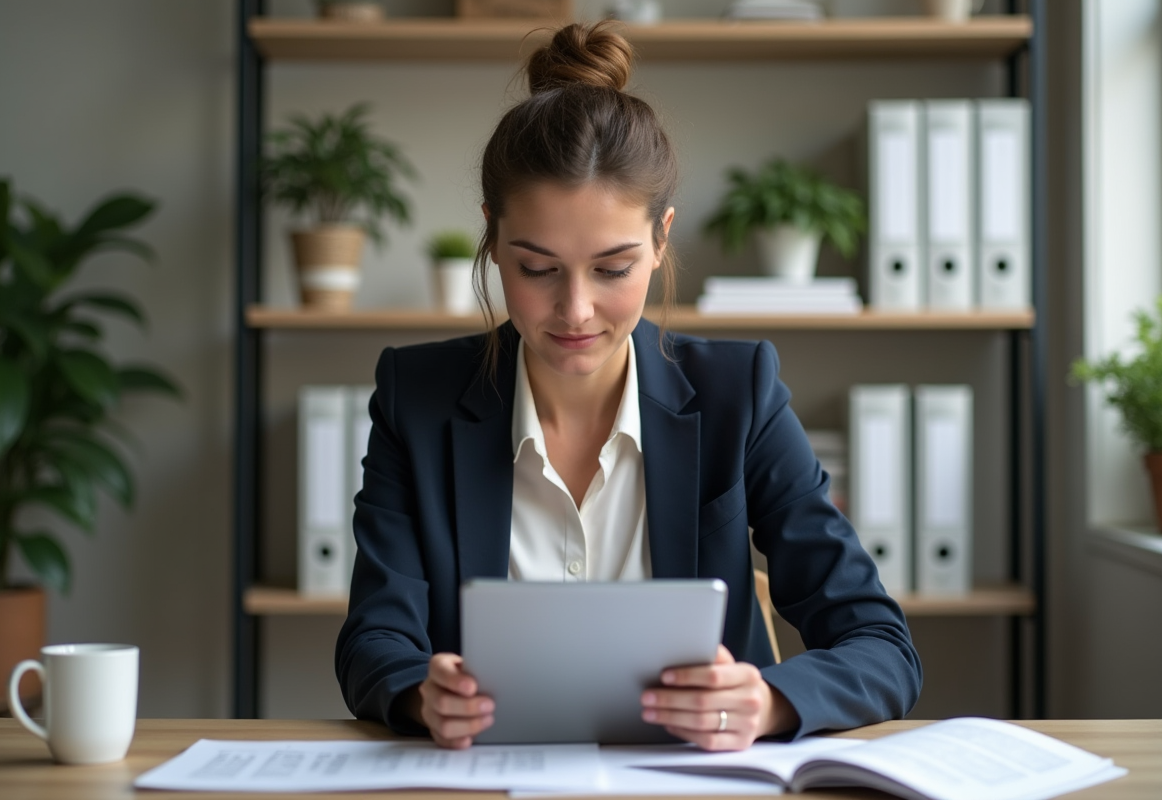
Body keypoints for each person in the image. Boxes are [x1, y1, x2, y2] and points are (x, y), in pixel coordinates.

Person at [335, 21, 921, 752]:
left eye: (612, 268)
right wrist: (421, 695)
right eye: (537, 268)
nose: (575, 310)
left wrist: (769, 701)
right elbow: (372, 639)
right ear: (491, 236)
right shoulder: (414, 397)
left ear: (662, 238)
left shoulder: (739, 393)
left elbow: (880, 644)